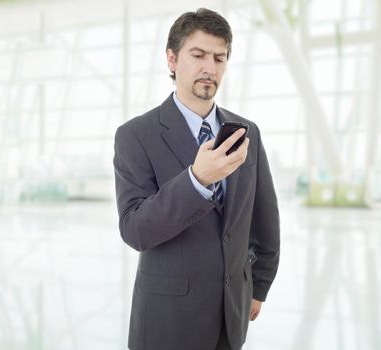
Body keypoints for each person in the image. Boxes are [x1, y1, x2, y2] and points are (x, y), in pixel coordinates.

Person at [113, 8, 280, 350]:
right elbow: (135, 229)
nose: (210, 67)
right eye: (199, 55)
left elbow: (265, 220)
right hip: (167, 321)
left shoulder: (248, 133)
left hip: (231, 316)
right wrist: (197, 180)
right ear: (172, 60)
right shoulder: (136, 135)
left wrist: (257, 287)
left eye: (220, 58)